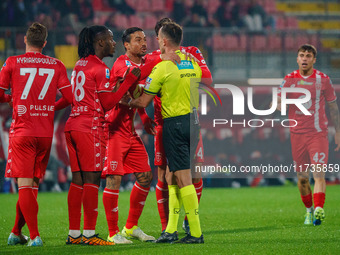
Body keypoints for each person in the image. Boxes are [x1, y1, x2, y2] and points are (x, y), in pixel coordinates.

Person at [63, 25, 140, 246]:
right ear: (100, 43)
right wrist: (128, 82)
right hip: (90, 126)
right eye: (110, 39)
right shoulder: (101, 68)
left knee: (77, 181)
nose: (114, 42)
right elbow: (106, 104)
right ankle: (89, 234)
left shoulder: (79, 64)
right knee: (92, 181)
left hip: (72, 124)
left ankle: (74, 234)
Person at [102, 26, 180, 244]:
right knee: (114, 179)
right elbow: (131, 80)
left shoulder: (145, 63)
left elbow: (133, 95)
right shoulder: (121, 64)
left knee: (145, 177)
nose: (144, 43)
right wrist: (163, 58)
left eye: (145, 39)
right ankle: (112, 232)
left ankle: (130, 227)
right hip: (114, 128)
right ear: (126, 45)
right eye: (138, 40)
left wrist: (144, 118)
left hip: (129, 129)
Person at [128, 21, 204, 244]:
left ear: (164, 41)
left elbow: (143, 101)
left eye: (159, 38)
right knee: (171, 176)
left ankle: (196, 232)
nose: (157, 42)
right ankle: (170, 230)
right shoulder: (192, 63)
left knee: (182, 178)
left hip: (175, 123)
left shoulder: (161, 68)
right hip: (193, 122)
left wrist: (127, 101)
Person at [0, 22, 73, 246]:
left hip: (23, 131)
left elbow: (0, 92)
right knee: (31, 186)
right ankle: (15, 232)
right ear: (45, 43)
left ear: (24, 39)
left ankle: (34, 236)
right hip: (44, 133)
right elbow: (70, 98)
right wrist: (50, 108)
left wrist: (11, 100)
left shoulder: (12, 62)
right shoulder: (57, 65)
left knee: (24, 187)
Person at [153, 17, 212, 234]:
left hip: (188, 117)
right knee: (165, 175)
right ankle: (167, 227)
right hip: (163, 122)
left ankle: (188, 222)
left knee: (194, 174)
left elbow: (207, 79)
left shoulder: (192, 53)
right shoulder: (156, 57)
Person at [277, 44, 340, 226]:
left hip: (318, 134)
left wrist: (338, 132)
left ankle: (319, 208)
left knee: (319, 174)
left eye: (308, 56)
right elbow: (280, 100)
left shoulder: (323, 80)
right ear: (297, 59)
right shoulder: (289, 79)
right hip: (297, 135)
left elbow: (333, 108)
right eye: (302, 55)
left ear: (314, 60)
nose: (305, 58)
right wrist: (281, 104)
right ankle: (309, 210)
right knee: (303, 179)